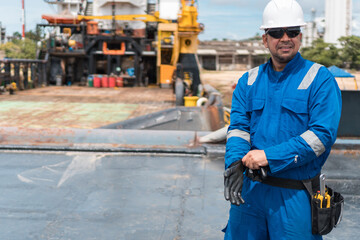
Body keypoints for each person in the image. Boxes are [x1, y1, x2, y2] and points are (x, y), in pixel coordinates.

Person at [222, 0, 342, 239]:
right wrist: (234, 162)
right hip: (251, 193)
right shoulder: (249, 81)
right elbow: (238, 129)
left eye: (293, 31)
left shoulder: (320, 79)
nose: (285, 38)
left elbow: (321, 136)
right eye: (276, 32)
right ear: (265, 39)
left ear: (300, 36)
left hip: (294, 196)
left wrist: (269, 156)